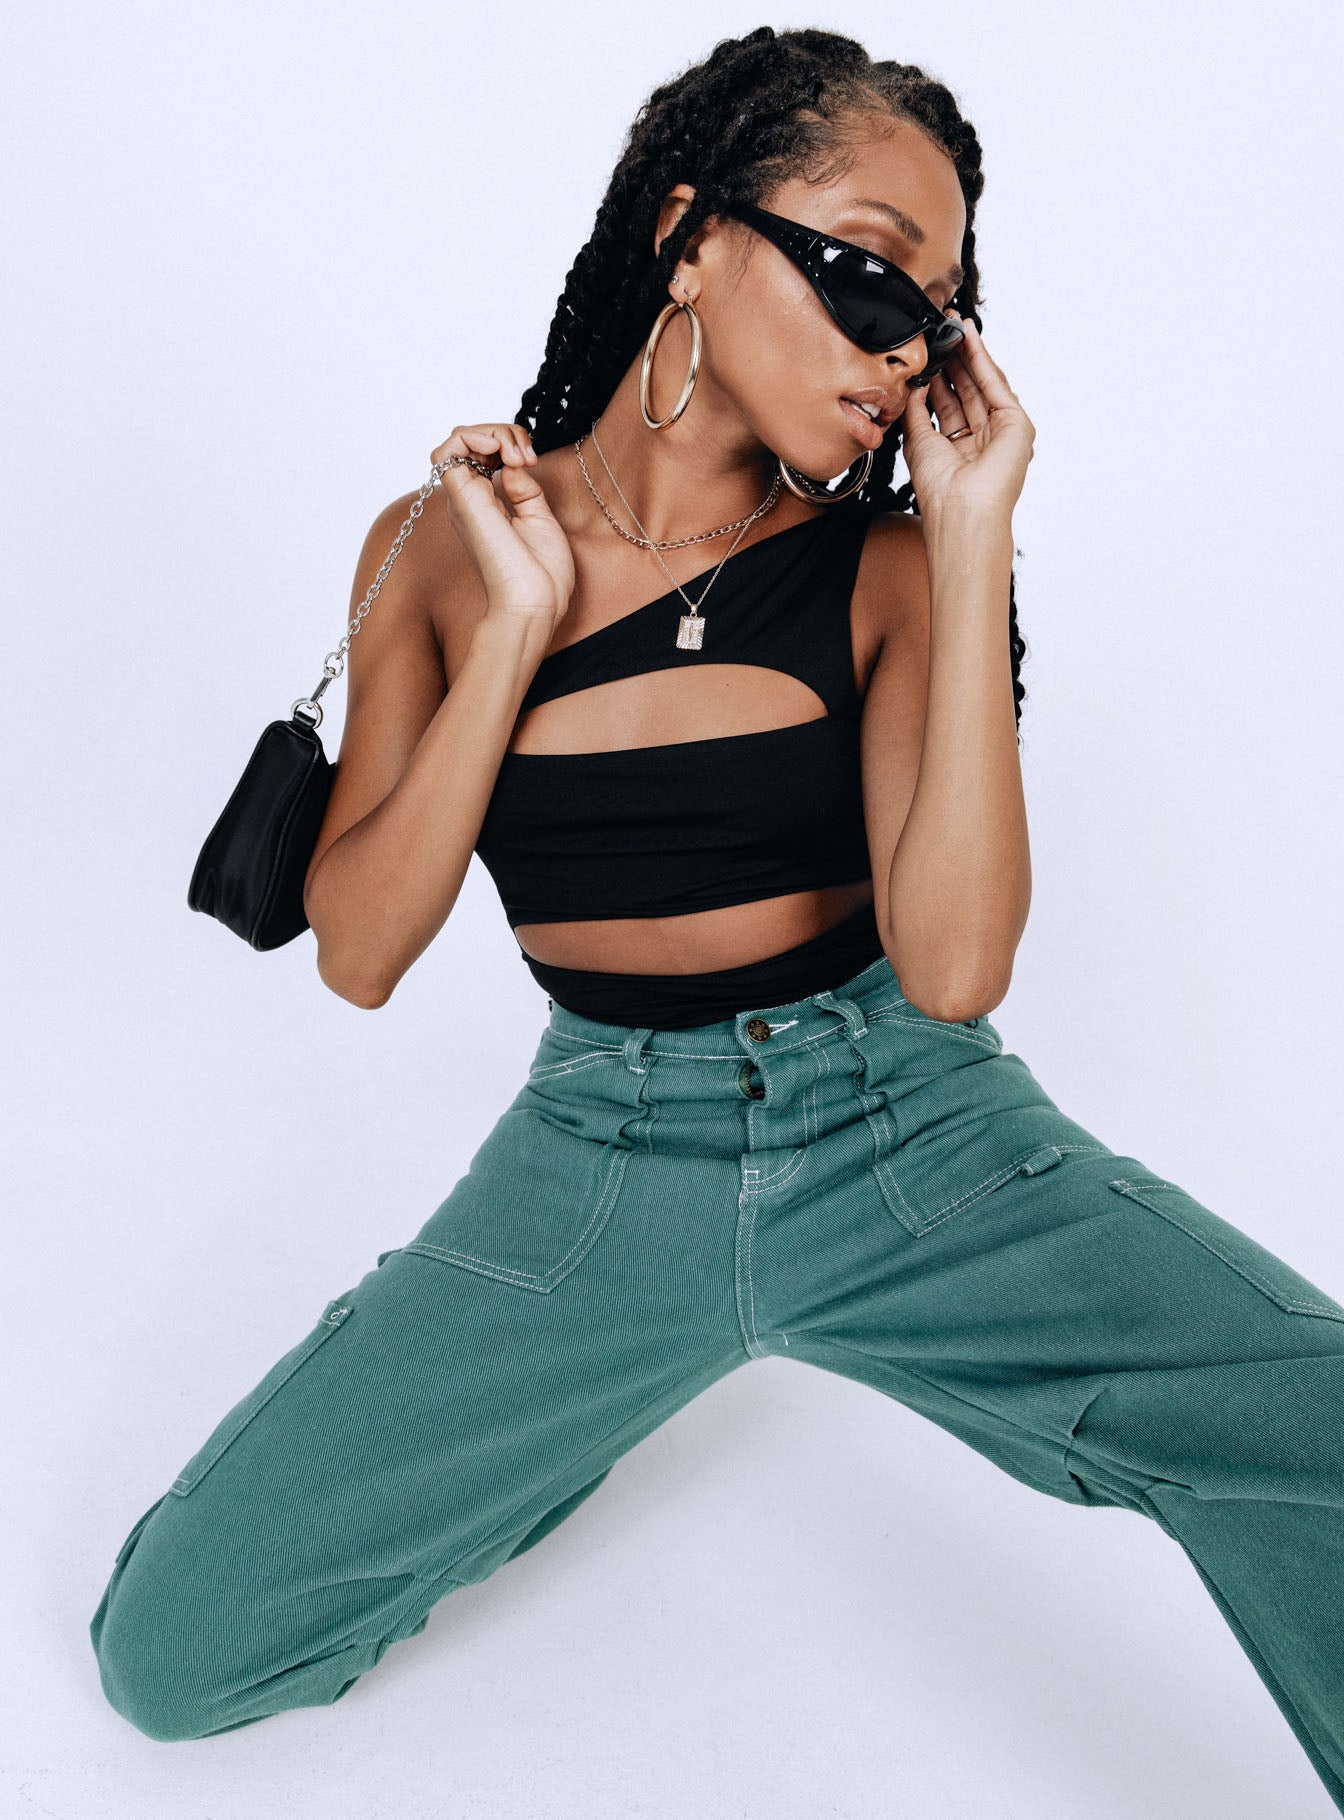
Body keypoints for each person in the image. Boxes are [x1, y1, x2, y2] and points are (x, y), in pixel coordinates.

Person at [90, 24, 1344, 1808]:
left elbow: (955, 966)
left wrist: (973, 535)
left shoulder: (890, 572)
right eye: (868, 274)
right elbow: (361, 952)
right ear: (691, 234)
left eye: (938, 314)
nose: (900, 346)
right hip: (600, 1166)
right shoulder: (440, 548)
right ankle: (572, 1409)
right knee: (175, 1648)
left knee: (1320, 1432)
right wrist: (513, 626)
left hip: (910, 1132)